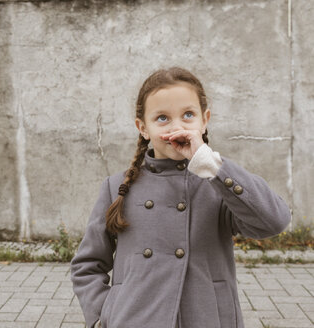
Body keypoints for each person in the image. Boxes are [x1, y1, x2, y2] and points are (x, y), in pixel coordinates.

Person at [69, 66, 292, 328]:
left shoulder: (219, 183)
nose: (177, 127)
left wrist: (213, 166)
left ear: (204, 120)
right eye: (162, 118)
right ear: (143, 127)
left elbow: (274, 222)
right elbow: (88, 264)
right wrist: (102, 315)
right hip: (134, 319)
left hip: (206, 317)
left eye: (188, 115)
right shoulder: (116, 186)